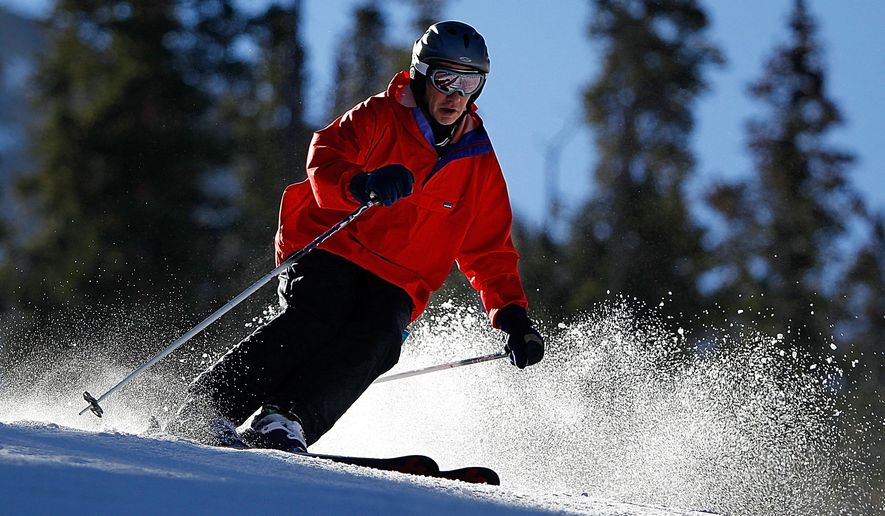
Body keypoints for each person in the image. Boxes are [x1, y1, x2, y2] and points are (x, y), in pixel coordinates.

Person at [166, 20, 545, 452]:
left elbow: (490, 249)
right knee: (323, 312)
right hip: (334, 242)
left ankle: (286, 419)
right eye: (446, 79)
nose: (456, 94)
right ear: (423, 76)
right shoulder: (382, 115)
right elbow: (325, 156)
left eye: (470, 81)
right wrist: (360, 184)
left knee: (380, 336)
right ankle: (205, 410)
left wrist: (513, 319)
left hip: (399, 278)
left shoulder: (477, 161)